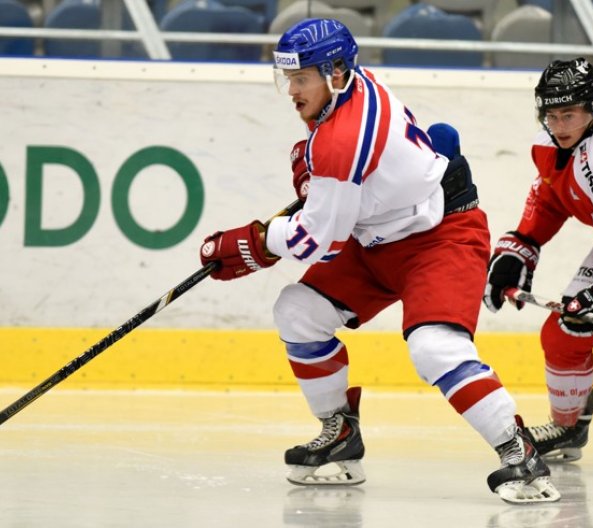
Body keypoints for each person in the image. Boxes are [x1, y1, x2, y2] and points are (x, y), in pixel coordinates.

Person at [199, 18, 559, 504]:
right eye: (288, 77)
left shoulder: (342, 137)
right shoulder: (346, 94)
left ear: (337, 71)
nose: (291, 90)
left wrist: (255, 242)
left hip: (440, 237)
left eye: (301, 77)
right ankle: (340, 436)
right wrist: (316, 192)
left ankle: (521, 453)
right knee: (299, 312)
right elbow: (343, 206)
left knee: (434, 348)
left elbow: (317, 241)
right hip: (377, 238)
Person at [483, 57, 593, 462]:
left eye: (568, 114)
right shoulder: (554, 142)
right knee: (563, 331)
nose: (559, 126)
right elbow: (552, 196)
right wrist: (522, 244)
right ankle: (568, 429)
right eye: (551, 114)